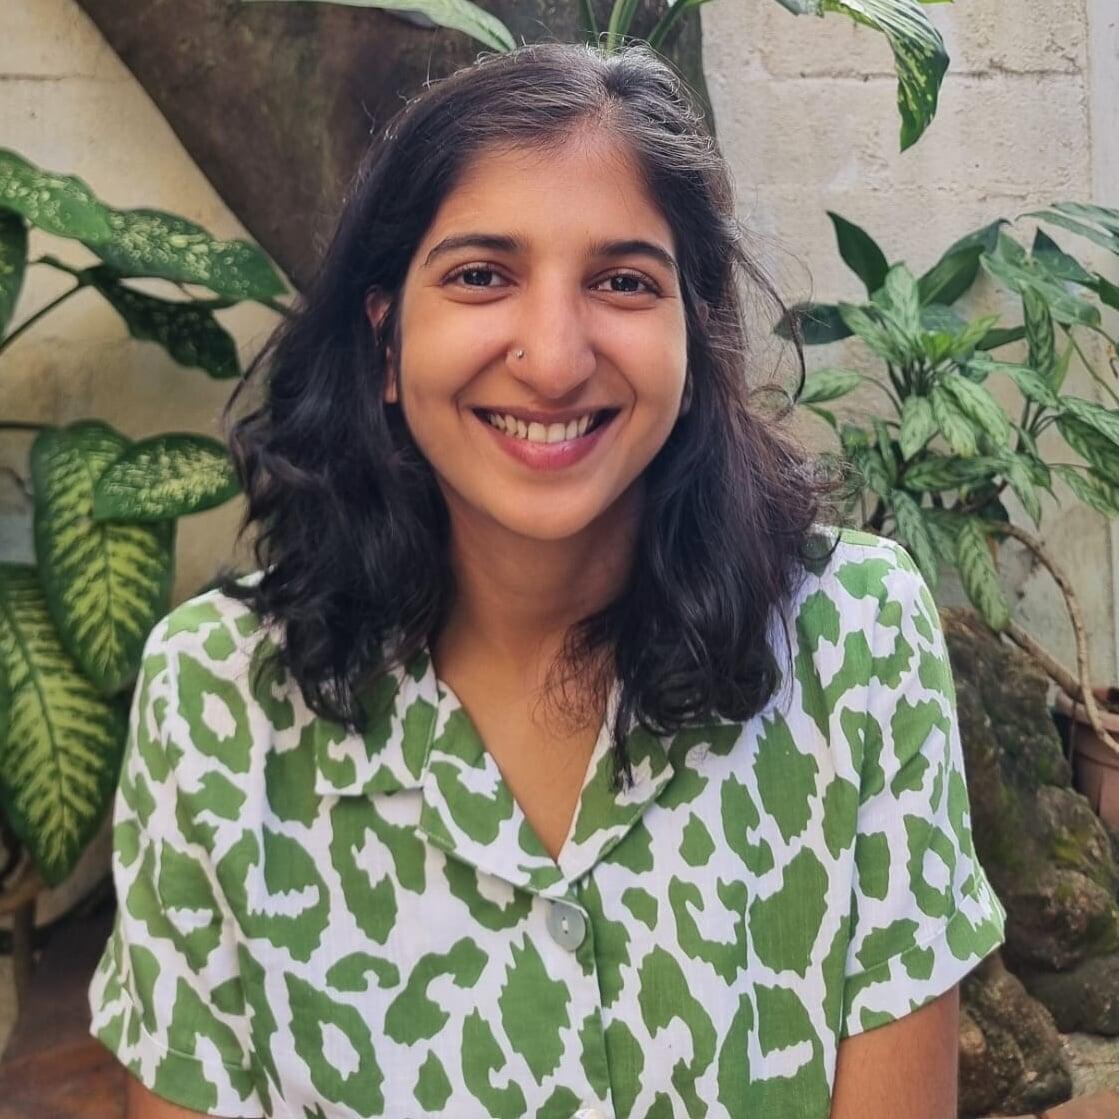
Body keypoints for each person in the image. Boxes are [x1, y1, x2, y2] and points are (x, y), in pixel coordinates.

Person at [87, 38, 1005, 1119]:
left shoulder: (854, 643)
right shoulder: (217, 705)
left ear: (693, 337)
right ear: (385, 344)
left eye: (623, 281)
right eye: (482, 275)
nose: (556, 357)